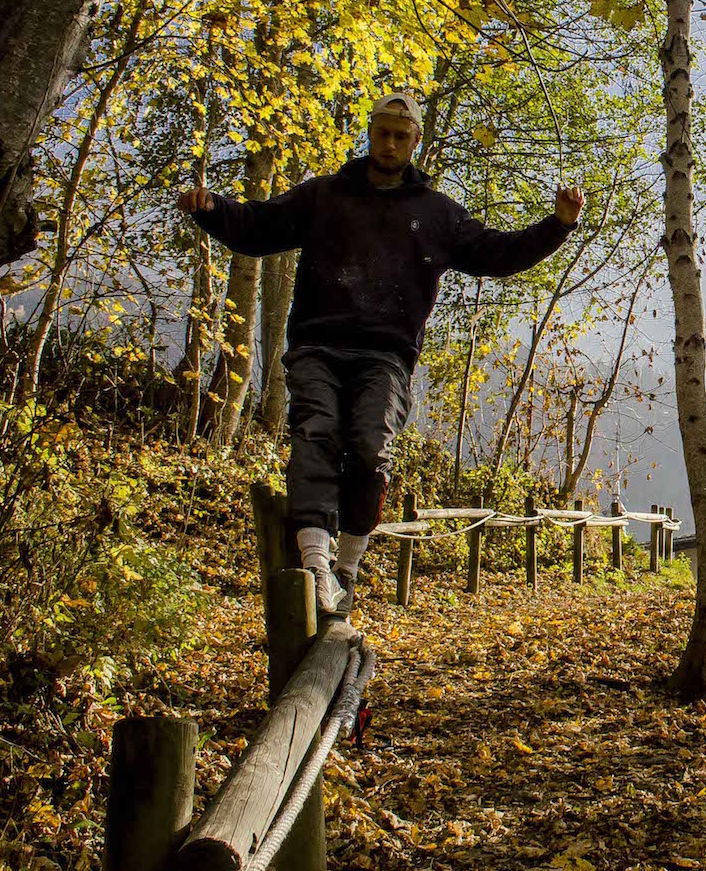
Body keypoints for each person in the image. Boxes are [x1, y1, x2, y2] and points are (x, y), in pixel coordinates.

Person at [178, 91, 584, 617]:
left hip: (386, 357)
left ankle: (345, 568)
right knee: (316, 435)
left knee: (370, 450)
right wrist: (213, 210)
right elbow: (260, 226)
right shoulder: (325, 196)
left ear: (416, 141)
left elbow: (497, 253)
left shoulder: (436, 215)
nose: (390, 143)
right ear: (370, 134)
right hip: (317, 346)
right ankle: (315, 563)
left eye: (401, 135)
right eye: (382, 133)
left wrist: (557, 226)